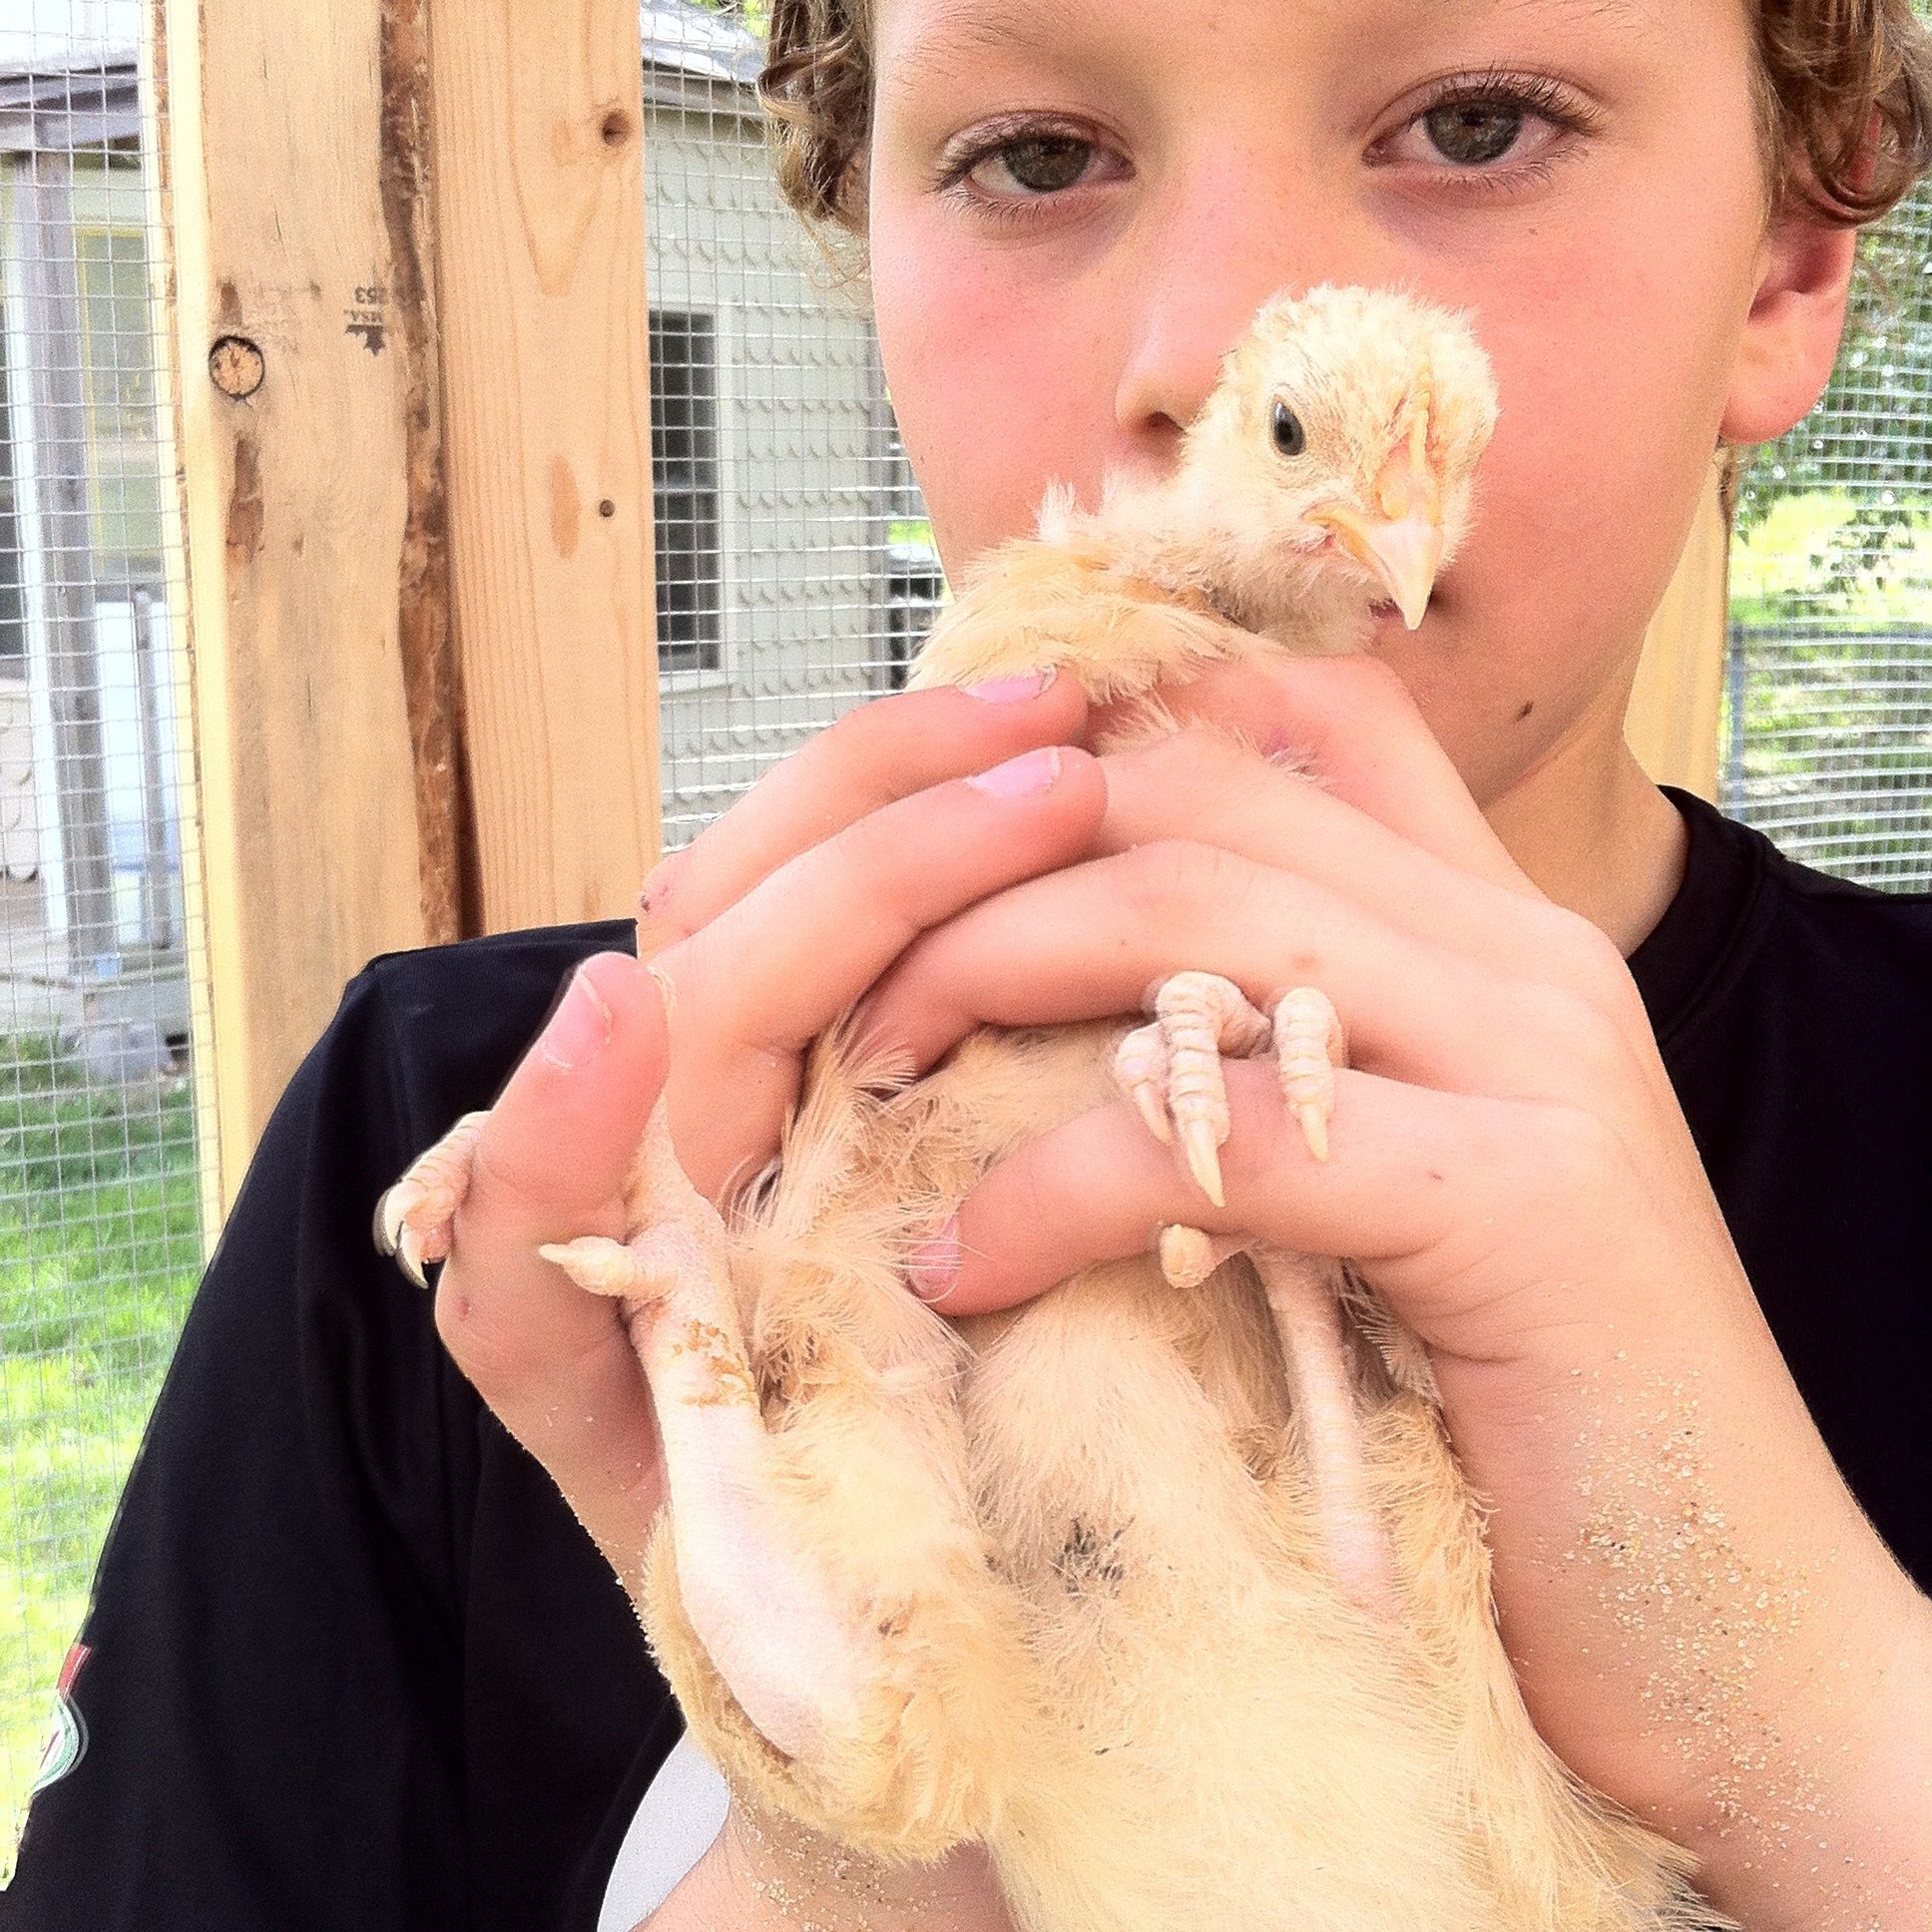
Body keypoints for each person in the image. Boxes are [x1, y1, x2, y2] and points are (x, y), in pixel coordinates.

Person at [6, 0, 1932, 1927]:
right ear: (872, 272)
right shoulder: (490, 1165)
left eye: (1481, 121)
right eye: (1035, 158)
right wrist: (848, 1864)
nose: (1204, 345)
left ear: (1785, 262)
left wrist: (1822, 1730)